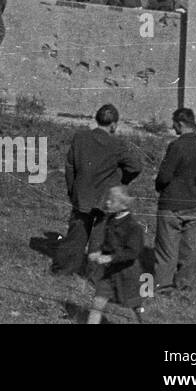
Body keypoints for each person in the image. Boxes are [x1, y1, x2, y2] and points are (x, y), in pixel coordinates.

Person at [51, 103, 142, 276]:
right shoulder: (117, 144)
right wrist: (120, 180)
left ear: (96, 119)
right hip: (105, 198)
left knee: (76, 235)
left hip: (82, 195)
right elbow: (136, 166)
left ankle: (64, 269)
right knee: (100, 238)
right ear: (114, 124)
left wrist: (72, 190)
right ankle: (95, 275)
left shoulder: (80, 137)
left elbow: (70, 166)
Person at [152, 107, 196, 295]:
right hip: (192, 202)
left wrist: (159, 186)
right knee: (189, 247)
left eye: (174, 124)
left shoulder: (176, 146)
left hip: (171, 203)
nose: (172, 127)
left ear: (181, 124)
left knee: (166, 247)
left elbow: (164, 176)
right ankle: (185, 284)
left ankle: (164, 286)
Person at [86, 185, 146, 324]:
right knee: (97, 303)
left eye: (112, 201)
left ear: (123, 205)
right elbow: (108, 244)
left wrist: (110, 257)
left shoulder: (133, 227)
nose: (107, 203)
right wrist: (99, 253)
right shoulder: (111, 219)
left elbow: (133, 252)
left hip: (127, 274)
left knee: (131, 308)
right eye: (108, 199)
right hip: (109, 273)